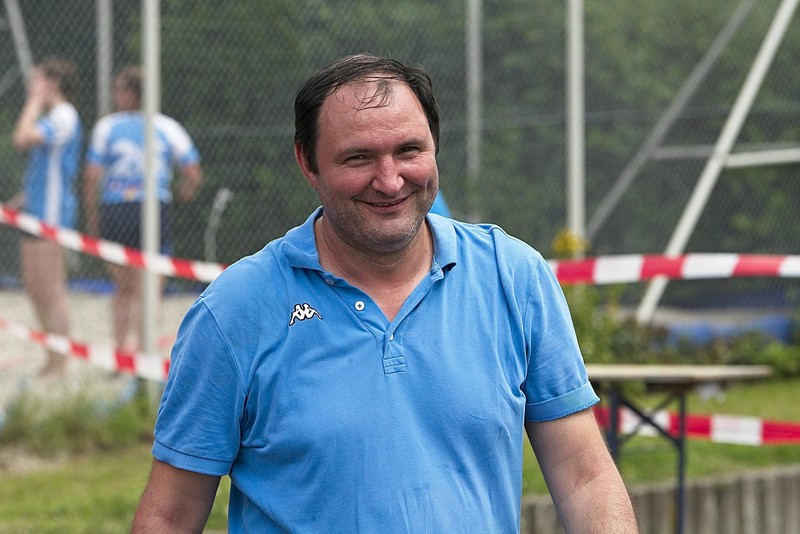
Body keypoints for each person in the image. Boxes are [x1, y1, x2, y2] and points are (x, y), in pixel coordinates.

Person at [132, 54, 638, 533]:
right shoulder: (235, 311)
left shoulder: (513, 278)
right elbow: (170, 516)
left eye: (409, 151)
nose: (390, 180)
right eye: (358, 158)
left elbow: (585, 478)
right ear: (308, 163)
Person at [83, 65, 202, 353]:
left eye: (119, 90)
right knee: (150, 289)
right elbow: (193, 173)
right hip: (153, 207)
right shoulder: (166, 126)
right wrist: (183, 192)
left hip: (117, 208)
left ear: (129, 93)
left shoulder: (107, 126)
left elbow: (91, 177)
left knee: (123, 288)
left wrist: (92, 215)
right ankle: (145, 352)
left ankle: (121, 352)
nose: (115, 96)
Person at [10, 57, 82, 376]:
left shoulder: (64, 115)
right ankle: (51, 357)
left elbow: (21, 138)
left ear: (53, 83)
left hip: (52, 215)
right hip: (35, 211)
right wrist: (18, 202)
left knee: (51, 290)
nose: (32, 85)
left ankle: (60, 362)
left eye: (37, 79)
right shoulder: (54, 116)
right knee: (34, 288)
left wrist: (34, 102)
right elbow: (45, 171)